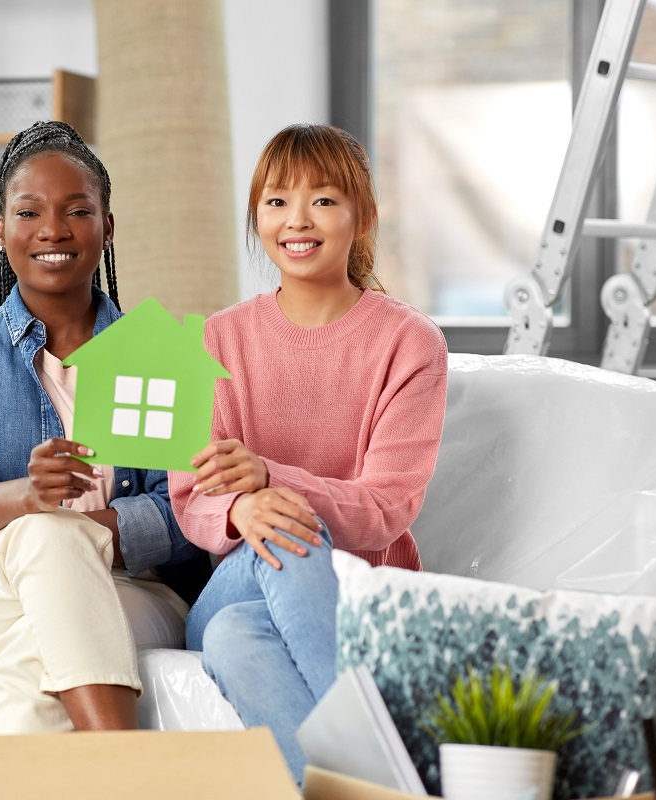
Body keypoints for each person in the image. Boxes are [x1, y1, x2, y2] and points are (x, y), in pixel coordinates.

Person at [0, 120, 209, 733]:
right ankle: (124, 768)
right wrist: (29, 499)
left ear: (107, 226)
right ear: (0, 230)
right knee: (45, 538)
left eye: (76, 210)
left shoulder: (155, 353)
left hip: (136, 590)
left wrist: (78, 530)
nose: (52, 230)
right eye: (28, 212)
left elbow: (192, 510)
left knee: (36, 648)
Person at [169, 123, 448, 782]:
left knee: (234, 638)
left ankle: (363, 794)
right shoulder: (214, 339)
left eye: (323, 200)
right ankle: (402, 775)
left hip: (361, 597)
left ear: (364, 216)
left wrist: (270, 477)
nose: (297, 220)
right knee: (285, 530)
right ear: (258, 216)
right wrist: (243, 509)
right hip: (241, 573)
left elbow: (386, 510)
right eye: (276, 202)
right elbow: (191, 497)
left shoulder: (409, 343)